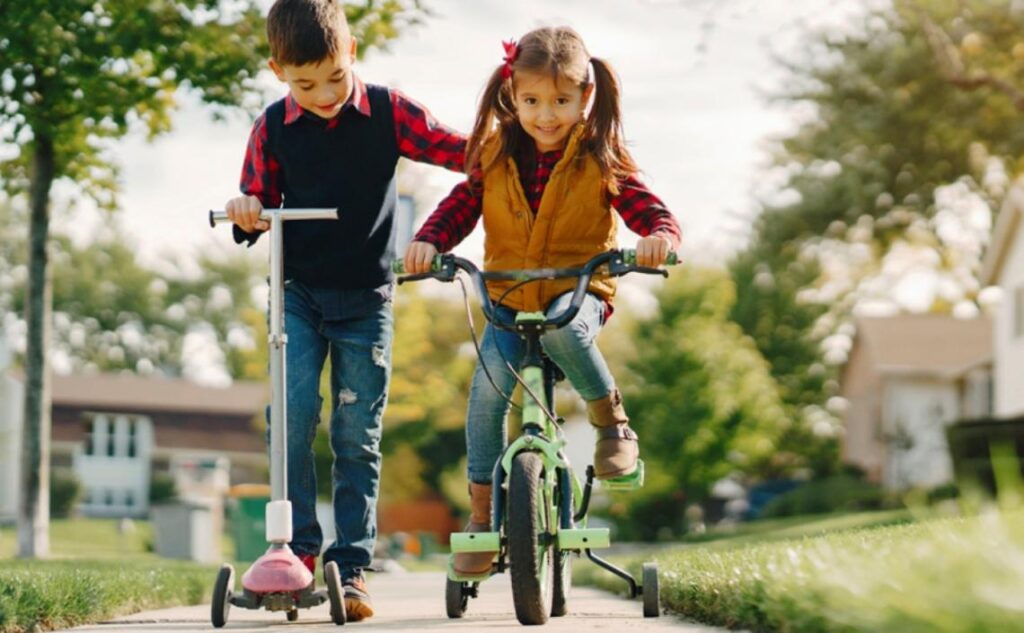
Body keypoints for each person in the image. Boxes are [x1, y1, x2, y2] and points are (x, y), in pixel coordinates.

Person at [403, 26, 681, 576]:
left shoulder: (602, 156)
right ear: (512, 96)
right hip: (507, 299)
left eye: (560, 101)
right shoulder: (495, 153)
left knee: (562, 328)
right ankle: (482, 518)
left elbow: (649, 210)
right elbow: (462, 205)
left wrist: (660, 239)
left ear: (585, 98)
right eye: (531, 101)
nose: (546, 115)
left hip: (578, 295)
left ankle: (612, 425)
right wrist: (429, 241)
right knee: (485, 394)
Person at [224, 0, 465, 620]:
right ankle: (297, 554)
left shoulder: (389, 111)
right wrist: (247, 208)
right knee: (293, 420)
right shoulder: (273, 126)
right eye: (306, 84)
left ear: (351, 52)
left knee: (357, 435)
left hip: (366, 298)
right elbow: (254, 198)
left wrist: (513, 146)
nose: (324, 94)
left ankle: (351, 567)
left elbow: (459, 151)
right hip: (299, 294)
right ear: (278, 70)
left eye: (334, 76)